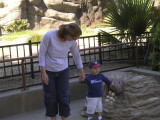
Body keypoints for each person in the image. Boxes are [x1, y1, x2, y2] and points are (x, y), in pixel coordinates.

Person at [38, 23, 85, 120]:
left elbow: (76, 55)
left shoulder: (71, 41)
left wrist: (82, 71)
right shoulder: (49, 36)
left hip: (63, 71)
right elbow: (41, 54)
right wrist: (44, 74)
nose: (75, 40)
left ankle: (64, 118)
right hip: (48, 71)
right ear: (67, 34)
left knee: (64, 97)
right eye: (74, 38)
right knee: (50, 98)